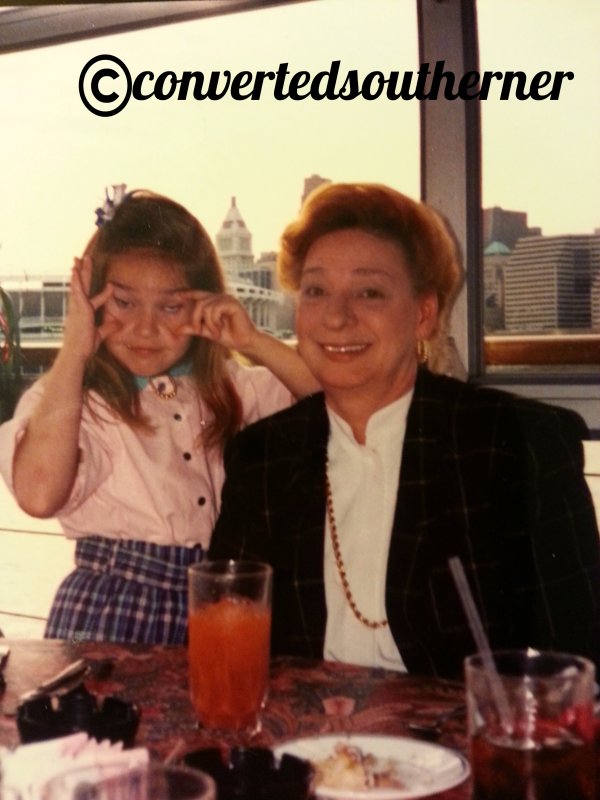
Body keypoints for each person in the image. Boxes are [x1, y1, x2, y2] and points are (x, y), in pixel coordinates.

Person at [209, 182, 600, 679]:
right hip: (303, 745)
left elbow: (581, 664)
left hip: (462, 748)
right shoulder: (261, 458)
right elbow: (228, 659)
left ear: (423, 314)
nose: (335, 315)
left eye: (369, 291)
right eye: (316, 290)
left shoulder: (518, 443)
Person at [0, 190, 318, 645]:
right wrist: (73, 352)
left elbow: (332, 403)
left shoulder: (229, 388)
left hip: (217, 604)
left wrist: (252, 342)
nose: (146, 329)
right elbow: (38, 493)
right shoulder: (76, 402)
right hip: (112, 610)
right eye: (124, 303)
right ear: (91, 302)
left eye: (171, 307)